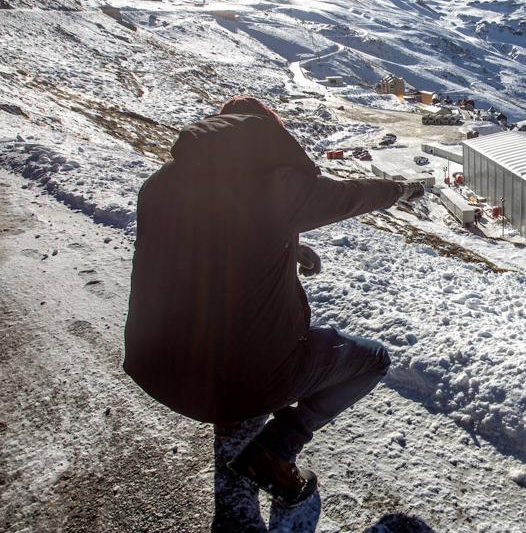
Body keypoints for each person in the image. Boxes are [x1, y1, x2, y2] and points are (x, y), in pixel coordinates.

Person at [123, 96, 423, 510]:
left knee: (226, 336)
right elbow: (351, 195)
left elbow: (208, 244)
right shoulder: (268, 187)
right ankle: (275, 448)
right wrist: (402, 190)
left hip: (156, 371)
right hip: (237, 381)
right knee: (371, 360)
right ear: (265, 136)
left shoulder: (160, 183)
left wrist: (289, 247)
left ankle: (232, 418)